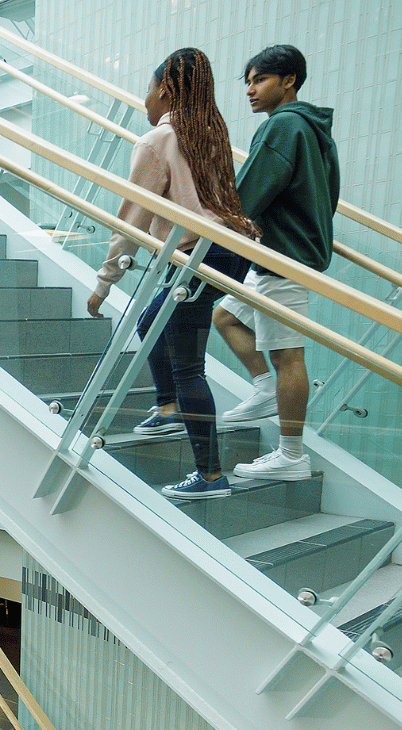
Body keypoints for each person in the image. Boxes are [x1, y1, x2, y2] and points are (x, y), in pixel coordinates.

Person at [88, 48, 258, 500]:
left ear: (164, 91)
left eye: (147, 90)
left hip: (199, 255)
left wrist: (104, 282)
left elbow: (131, 219)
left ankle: (209, 475)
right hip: (229, 251)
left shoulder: (156, 142)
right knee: (151, 321)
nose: (143, 100)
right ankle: (167, 409)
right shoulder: (208, 133)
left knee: (188, 367)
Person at [212, 44, 340, 483]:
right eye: (247, 81)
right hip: (286, 251)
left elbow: (246, 195)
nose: (250, 90)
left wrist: (226, 220)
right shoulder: (314, 129)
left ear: (289, 81)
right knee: (226, 316)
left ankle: (292, 454)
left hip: (285, 255)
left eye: (260, 80)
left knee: (288, 356)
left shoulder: (283, 126)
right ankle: (265, 391)